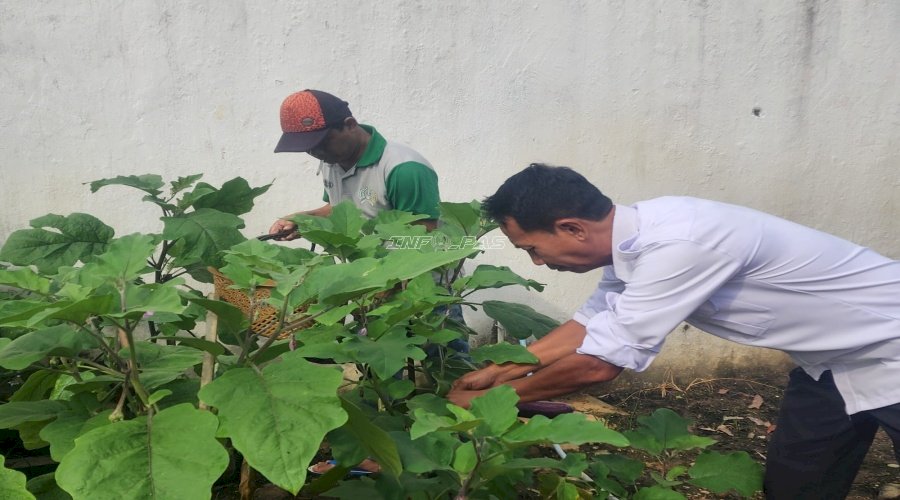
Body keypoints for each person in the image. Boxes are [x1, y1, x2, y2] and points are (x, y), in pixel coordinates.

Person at [447, 163, 900, 499]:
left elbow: (601, 365)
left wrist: (495, 403)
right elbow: (589, 324)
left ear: (571, 228)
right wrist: (499, 370)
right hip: (834, 367)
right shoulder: (635, 242)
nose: (538, 263)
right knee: (796, 484)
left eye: (533, 249)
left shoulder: (679, 244)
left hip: (893, 344)